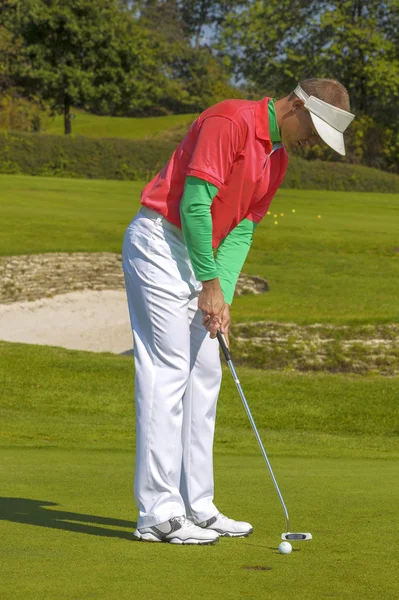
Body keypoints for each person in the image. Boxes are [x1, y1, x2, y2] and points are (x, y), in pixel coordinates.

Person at [122, 78, 354, 545]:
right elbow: (193, 203)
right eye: (315, 130)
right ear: (297, 105)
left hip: (199, 257)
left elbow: (243, 229)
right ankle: (158, 513)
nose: (314, 143)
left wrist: (221, 298)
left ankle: (199, 506)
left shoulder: (278, 158)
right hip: (161, 245)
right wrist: (208, 283)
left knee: (207, 373)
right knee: (166, 373)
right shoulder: (231, 119)